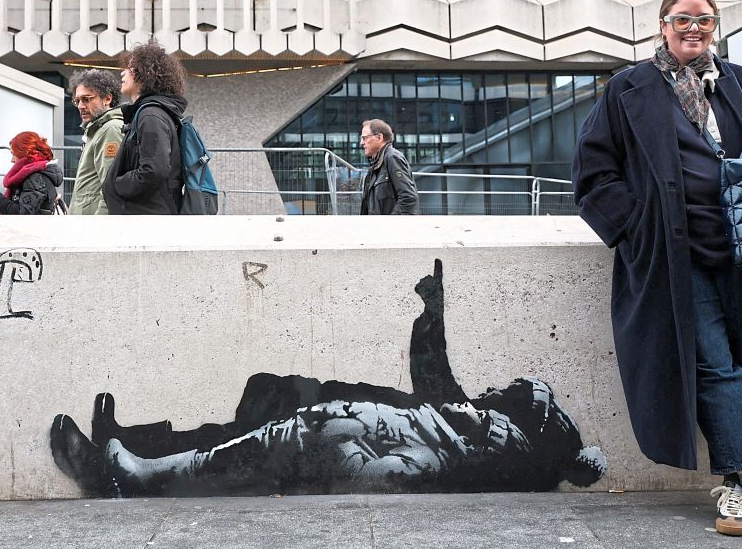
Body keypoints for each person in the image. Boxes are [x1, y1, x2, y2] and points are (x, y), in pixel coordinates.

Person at [49, 260, 607, 497]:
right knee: (259, 403)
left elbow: (437, 412)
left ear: (530, 415)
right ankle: (132, 445)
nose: (495, 392)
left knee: (246, 442)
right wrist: (431, 320)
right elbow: (441, 391)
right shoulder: (487, 425)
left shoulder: (502, 437)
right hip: (354, 418)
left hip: (355, 434)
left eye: (506, 393)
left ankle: (123, 471)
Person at [572, 0, 742, 538]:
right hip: (673, 258)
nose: (693, 29)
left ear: (716, 26)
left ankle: (732, 495)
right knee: (712, 360)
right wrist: (637, 230)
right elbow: (593, 176)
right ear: (662, 25)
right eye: (681, 20)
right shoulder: (628, 90)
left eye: (703, 20)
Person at [102, 41, 187, 215]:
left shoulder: (151, 115)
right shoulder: (150, 113)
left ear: (144, 74)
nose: (123, 72)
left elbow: (153, 170)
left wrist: (116, 184)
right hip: (147, 216)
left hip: (147, 220)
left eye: (129, 67)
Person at [67, 69, 122, 216]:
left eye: (87, 99)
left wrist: (99, 226)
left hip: (93, 227)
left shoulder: (110, 129)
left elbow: (111, 187)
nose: (80, 106)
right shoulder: (97, 129)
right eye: (77, 100)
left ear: (107, 99)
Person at [0, 131, 63, 215]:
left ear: (24, 153)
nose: (12, 160)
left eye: (13, 154)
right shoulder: (32, 174)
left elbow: (22, 215)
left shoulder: (35, 178)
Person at [359, 118, 419, 215]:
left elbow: (408, 197)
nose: (361, 143)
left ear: (379, 138)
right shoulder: (376, 163)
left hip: (390, 228)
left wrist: (389, 223)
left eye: (364, 138)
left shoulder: (392, 158)